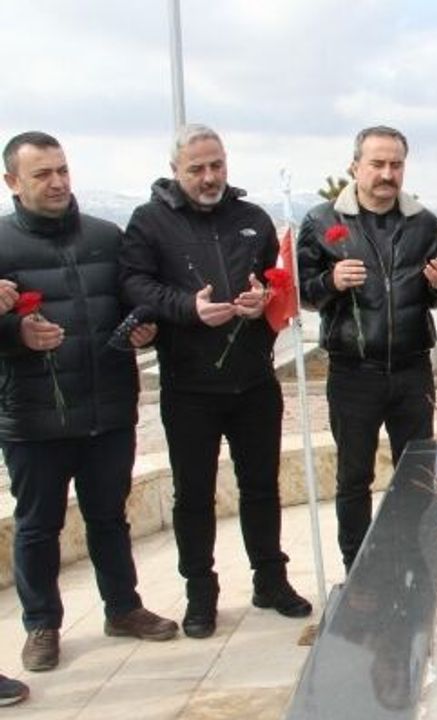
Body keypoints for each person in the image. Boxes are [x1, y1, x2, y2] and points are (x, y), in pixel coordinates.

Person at [120, 124, 311, 639]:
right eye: (197, 169)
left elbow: (274, 284)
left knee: (261, 487)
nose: (209, 177)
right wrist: (187, 308)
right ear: (176, 171)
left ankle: (271, 581)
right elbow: (134, 283)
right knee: (194, 495)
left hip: (252, 380)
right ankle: (200, 595)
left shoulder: (252, 219)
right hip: (189, 386)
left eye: (217, 165)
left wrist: (259, 299)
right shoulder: (149, 221)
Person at [1, 132, 179, 673]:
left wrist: (145, 330)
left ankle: (122, 608)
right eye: (42, 174)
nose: (56, 183)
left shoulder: (106, 236)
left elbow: (136, 299)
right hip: (32, 418)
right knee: (37, 526)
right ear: (13, 182)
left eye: (62, 170)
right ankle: (41, 625)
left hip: (107, 407)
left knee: (109, 517)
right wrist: (15, 333)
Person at [296, 126, 437, 572]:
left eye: (396, 164)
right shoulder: (322, 221)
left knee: (417, 476)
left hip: (411, 368)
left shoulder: (421, 222)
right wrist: (329, 282)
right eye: (377, 164)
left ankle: (413, 564)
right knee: (353, 478)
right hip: (353, 371)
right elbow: (303, 294)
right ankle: (358, 570)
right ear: (355, 167)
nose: (387, 173)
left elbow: (431, 293)